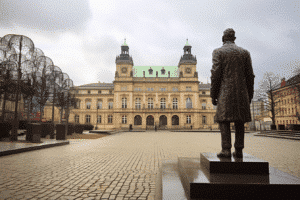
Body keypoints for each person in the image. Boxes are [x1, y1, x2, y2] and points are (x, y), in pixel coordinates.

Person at [210, 28, 255, 158]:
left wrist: (213, 94)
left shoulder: (218, 52)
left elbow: (215, 75)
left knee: (224, 121)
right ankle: (239, 150)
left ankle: (226, 149)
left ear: (223, 38)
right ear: (234, 38)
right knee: (239, 121)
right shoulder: (245, 52)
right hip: (242, 92)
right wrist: (249, 95)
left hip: (225, 92)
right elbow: (250, 76)